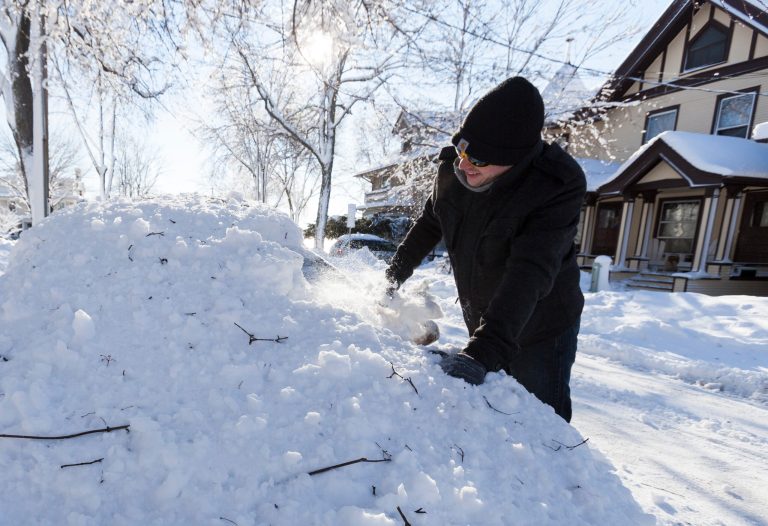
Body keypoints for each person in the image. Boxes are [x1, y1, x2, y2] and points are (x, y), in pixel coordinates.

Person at [385, 77, 586, 422]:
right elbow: (430, 223)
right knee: (489, 417)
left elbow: (530, 272)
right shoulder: (456, 171)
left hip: (540, 328)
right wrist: (391, 278)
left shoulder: (556, 185)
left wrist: (481, 352)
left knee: (539, 423)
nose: (463, 164)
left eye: (475, 158)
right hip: (484, 316)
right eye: (462, 150)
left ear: (514, 159)